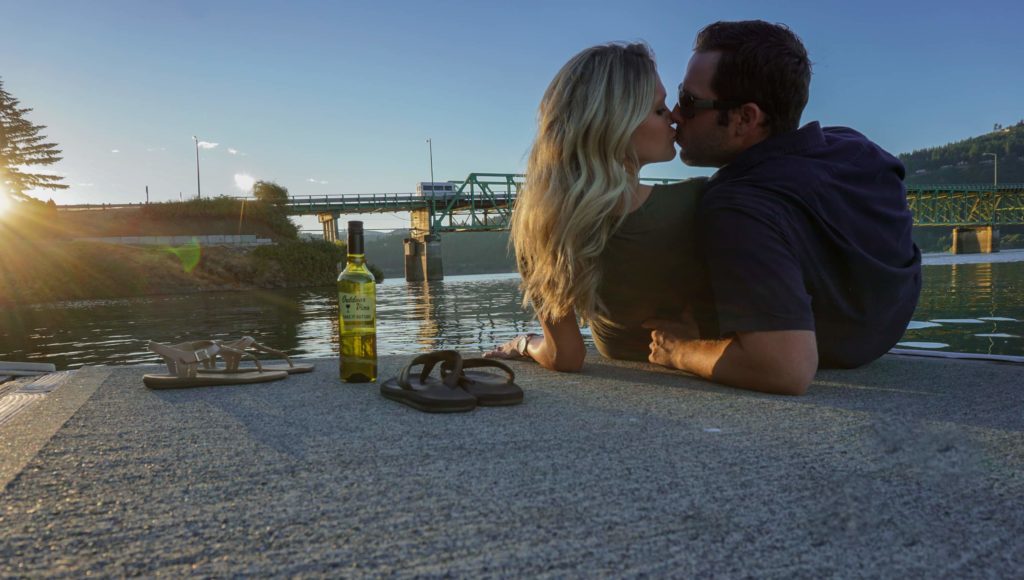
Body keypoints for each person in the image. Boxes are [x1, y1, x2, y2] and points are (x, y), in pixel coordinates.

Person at [644, 20, 922, 395]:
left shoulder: (739, 202)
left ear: (746, 118)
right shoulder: (856, 148)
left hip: (827, 349)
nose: (676, 113)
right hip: (881, 335)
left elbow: (784, 369)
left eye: (691, 102)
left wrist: (678, 351)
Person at [485, 42, 707, 370]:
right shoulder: (699, 200)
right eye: (659, 110)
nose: (674, 117)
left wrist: (523, 342)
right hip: (711, 359)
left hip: (621, 357)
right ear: (617, 125)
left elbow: (565, 356)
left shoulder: (540, 224)